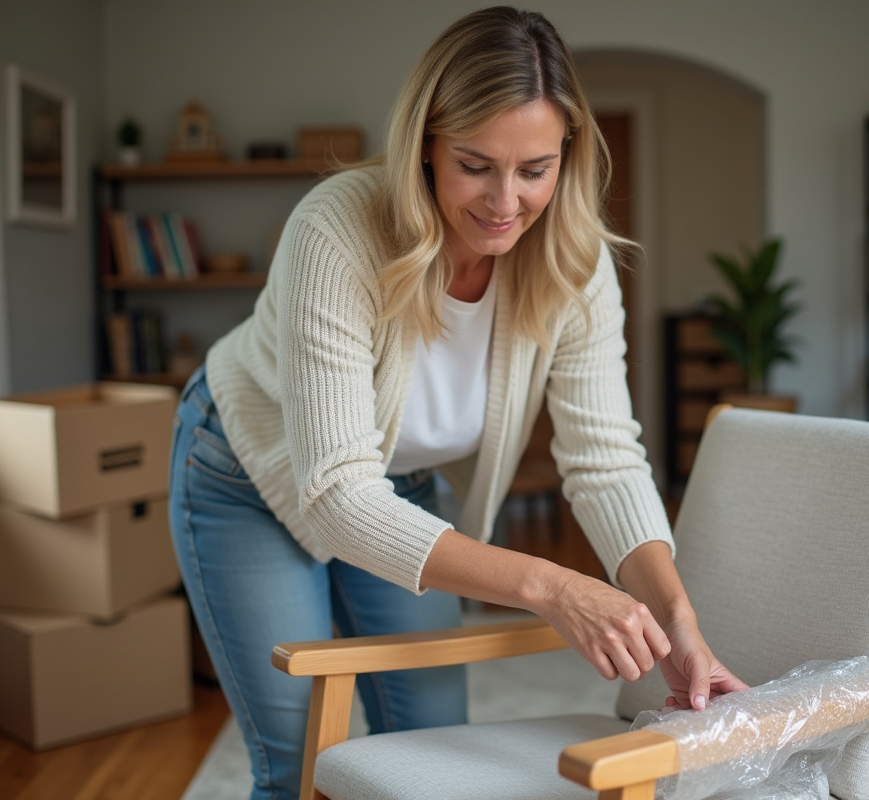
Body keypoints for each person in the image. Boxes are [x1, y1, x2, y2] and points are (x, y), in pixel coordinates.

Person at [168, 7, 746, 800]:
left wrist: (679, 619)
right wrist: (553, 587)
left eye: (535, 169)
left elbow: (606, 460)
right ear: (426, 146)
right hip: (242, 474)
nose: (506, 201)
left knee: (432, 751)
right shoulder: (336, 230)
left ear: (566, 157)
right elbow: (337, 496)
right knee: (298, 760)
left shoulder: (577, 266)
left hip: (401, 488)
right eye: (476, 164)